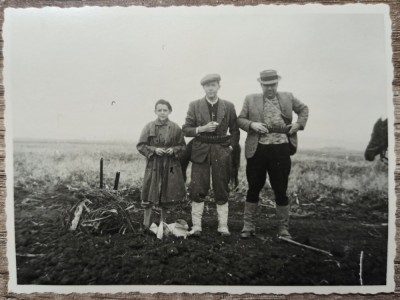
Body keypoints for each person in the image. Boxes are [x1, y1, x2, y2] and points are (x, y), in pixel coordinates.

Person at [237, 70, 309, 239]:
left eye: (273, 85)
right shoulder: (250, 99)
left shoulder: (288, 97)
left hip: (281, 149)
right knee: (253, 187)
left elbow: (304, 109)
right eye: (266, 85)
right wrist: (252, 124)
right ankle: (248, 227)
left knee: (280, 189)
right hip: (257, 150)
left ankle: (283, 229)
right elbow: (240, 119)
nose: (270, 88)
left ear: (277, 84)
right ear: (261, 84)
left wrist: (298, 125)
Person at [182, 74, 240, 236]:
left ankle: (223, 226)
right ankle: (197, 226)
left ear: (219, 86)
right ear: (203, 88)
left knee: (221, 187)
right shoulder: (194, 105)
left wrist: (230, 148)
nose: (210, 88)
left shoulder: (228, 106)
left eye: (213, 85)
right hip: (200, 150)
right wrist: (201, 129)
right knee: (197, 187)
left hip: (221, 151)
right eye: (207, 86)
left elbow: (235, 130)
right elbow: (186, 129)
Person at [137, 99, 186, 230]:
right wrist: (154, 150)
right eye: (159, 110)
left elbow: (182, 146)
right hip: (153, 165)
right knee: (149, 193)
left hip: (169, 165)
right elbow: (141, 145)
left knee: (167, 194)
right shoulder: (149, 127)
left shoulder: (175, 128)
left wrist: (173, 150)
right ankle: (146, 224)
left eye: (165, 110)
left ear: (170, 111)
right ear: (155, 111)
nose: (162, 113)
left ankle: (163, 224)